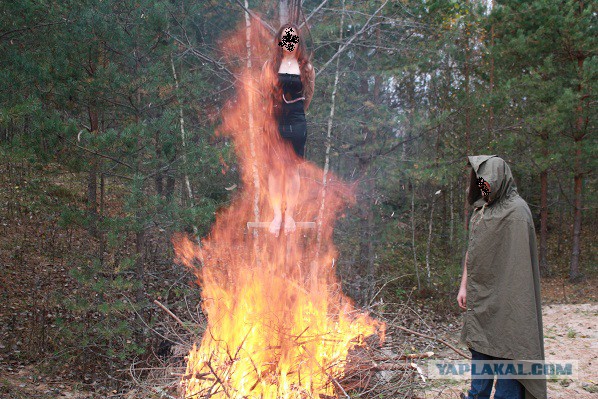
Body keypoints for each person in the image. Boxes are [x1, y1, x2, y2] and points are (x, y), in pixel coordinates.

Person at [457, 155, 547, 399]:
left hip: (509, 305)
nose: (483, 188)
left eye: (486, 183)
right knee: (481, 360)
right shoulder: (481, 211)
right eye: (480, 183)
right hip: (482, 300)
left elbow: (518, 269)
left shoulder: (517, 212)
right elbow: (472, 249)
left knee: (509, 361)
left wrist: (512, 302)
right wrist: (464, 286)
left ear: (499, 180)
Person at [261, 23, 315, 236]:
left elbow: (308, 95)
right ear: (280, 40)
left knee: (292, 169)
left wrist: (297, 113)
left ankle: (290, 215)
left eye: (293, 38)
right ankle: (276, 215)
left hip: (297, 120)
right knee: (275, 169)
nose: (289, 42)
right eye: (286, 38)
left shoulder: (307, 68)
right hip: (275, 120)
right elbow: (263, 93)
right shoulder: (271, 65)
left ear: (298, 41)